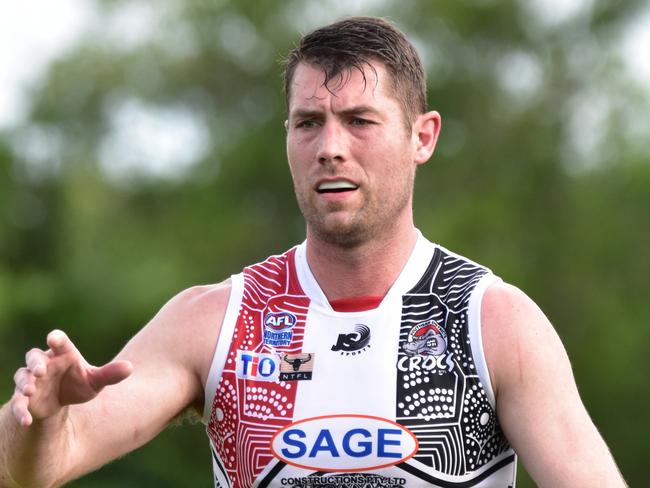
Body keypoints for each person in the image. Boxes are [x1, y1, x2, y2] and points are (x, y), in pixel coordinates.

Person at [0, 16, 626, 488]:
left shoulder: (495, 324)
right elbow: (38, 468)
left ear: (422, 136)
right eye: (308, 122)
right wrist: (41, 419)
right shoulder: (217, 321)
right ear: (288, 138)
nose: (330, 146)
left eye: (360, 120)